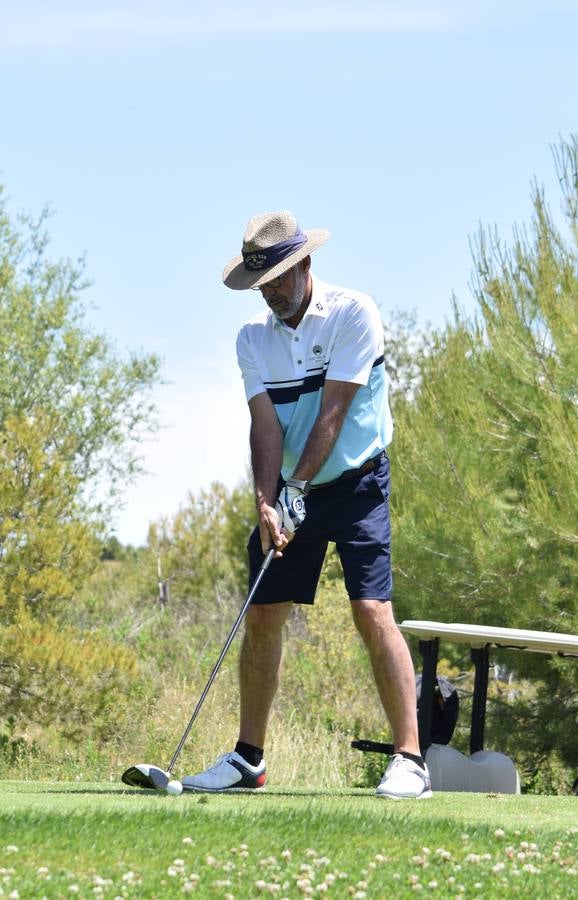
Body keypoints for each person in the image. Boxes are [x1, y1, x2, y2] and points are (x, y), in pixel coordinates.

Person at [181, 211, 430, 800]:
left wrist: (295, 492)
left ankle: (410, 759)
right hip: (291, 487)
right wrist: (268, 505)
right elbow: (264, 428)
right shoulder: (252, 340)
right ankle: (249, 760)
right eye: (260, 285)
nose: (270, 295)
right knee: (264, 612)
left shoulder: (353, 314)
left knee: (372, 610)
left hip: (357, 483)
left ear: (306, 266)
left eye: (278, 282)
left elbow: (333, 415)